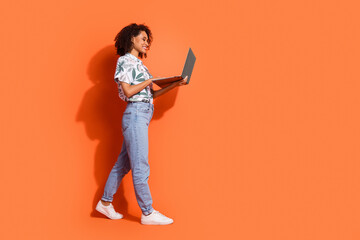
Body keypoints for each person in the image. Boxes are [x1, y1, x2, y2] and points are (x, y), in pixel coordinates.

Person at [95, 23, 187, 225]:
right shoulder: (125, 61)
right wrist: (150, 80)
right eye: (143, 39)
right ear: (132, 39)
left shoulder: (139, 65)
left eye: (148, 40)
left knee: (123, 164)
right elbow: (128, 92)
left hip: (142, 114)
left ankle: (105, 202)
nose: (147, 43)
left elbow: (151, 94)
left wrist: (174, 84)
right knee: (140, 166)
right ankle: (147, 212)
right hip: (135, 115)